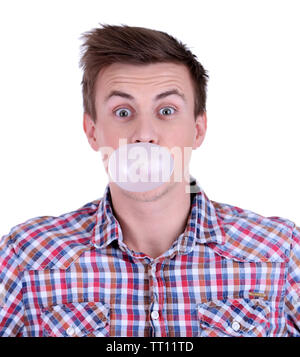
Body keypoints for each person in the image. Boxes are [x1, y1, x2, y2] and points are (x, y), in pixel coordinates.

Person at [0, 24, 299, 337]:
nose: (144, 134)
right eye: (123, 112)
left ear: (197, 130)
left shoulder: (281, 252)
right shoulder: (26, 257)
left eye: (166, 110)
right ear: (92, 131)